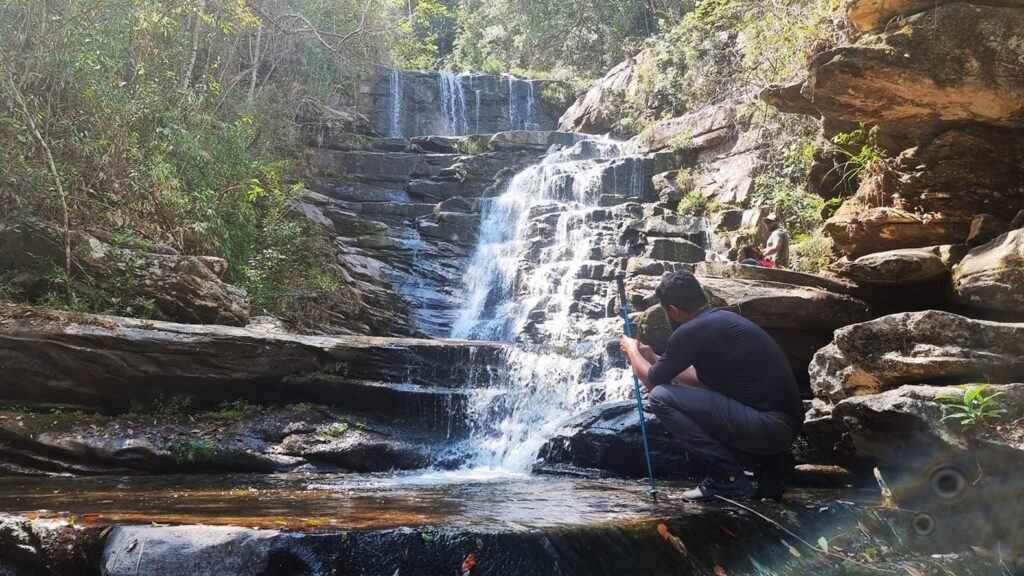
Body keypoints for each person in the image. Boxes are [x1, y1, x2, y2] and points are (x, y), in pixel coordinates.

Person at [619, 271, 803, 501]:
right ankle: (768, 470)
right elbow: (698, 380)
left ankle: (727, 478)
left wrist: (632, 351)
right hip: (780, 429)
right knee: (691, 392)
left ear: (672, 310)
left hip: (768, 427)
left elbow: (653, 380)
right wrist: (654, 358)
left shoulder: (691, 330)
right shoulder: (718, 321)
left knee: (660, 397)